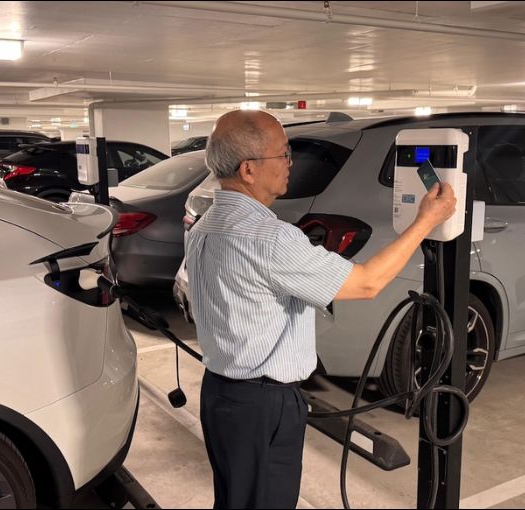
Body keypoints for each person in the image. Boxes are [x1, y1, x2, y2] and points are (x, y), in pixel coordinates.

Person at [185, 110, 456, 509]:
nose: (290, 163)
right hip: (263, 406)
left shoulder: (204, 224)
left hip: (220, 395)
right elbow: (367, 283)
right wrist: (425, 221)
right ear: (248, 169)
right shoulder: (270, 238)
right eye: (283, 154)